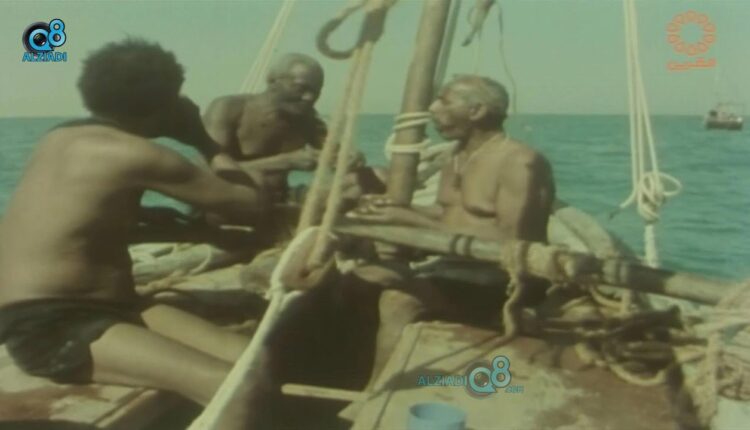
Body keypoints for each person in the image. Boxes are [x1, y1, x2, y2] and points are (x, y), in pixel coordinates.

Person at [0, 39, 272, 429]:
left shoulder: (59, 137)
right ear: (165, 104)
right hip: (50, 326)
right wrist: (200, 137)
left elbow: (77, 226)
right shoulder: (138, 154)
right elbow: (250, 203)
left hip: (109, 307)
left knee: (253, 360)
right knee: (236, 388)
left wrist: (187, 229)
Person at [341, 75, 556, 418]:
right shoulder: (457, 155)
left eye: (444, 100)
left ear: (476, 111)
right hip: (452, 269)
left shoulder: (520, 162)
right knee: (357, 279)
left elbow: (511, 243)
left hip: (501, 284)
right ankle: (354, 367)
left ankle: (375, 398)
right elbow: (447, 213)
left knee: (398, 301)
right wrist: (396, 208)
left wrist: (409, 218)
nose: (432, 109)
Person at [202, 53, 327, 203]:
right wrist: (286, 161)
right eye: (300, 88)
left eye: (316, 92)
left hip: (278, 201)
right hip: (231, 202)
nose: (309, 97)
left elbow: (338, 158)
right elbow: (208, 170)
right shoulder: (229, 108)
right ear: (272, 81)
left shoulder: (308, 120)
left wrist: (343, 160)